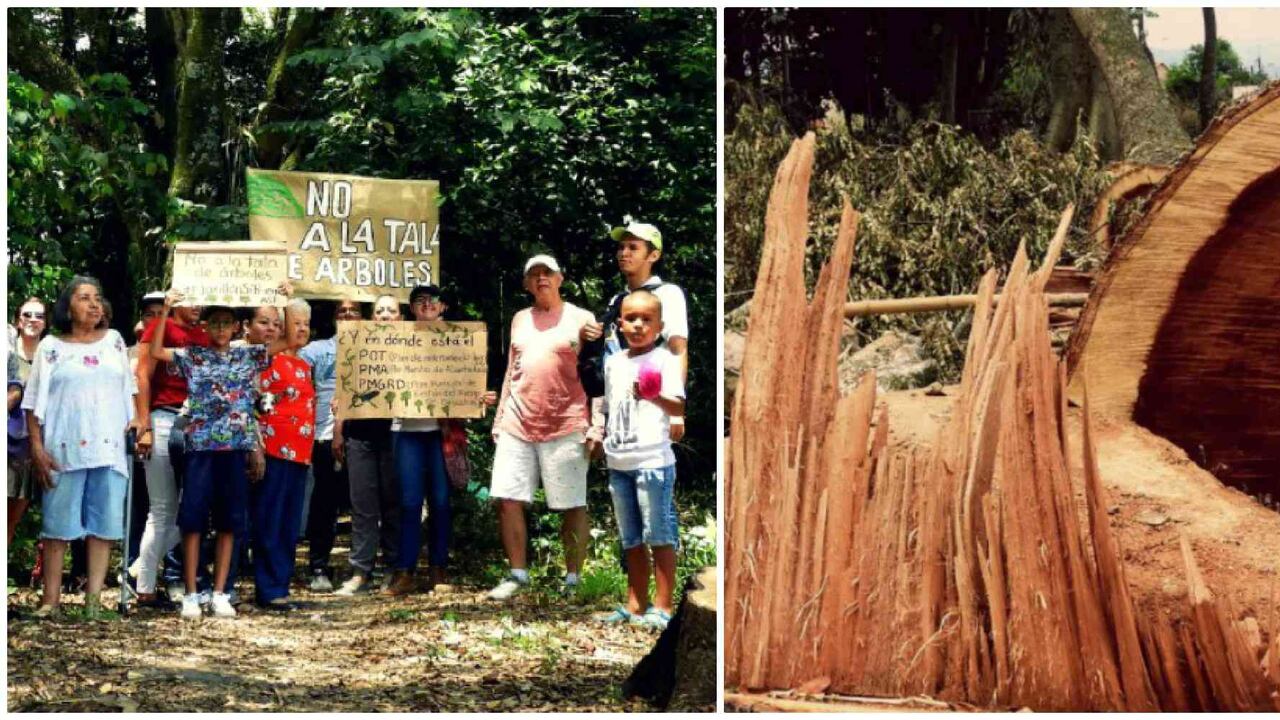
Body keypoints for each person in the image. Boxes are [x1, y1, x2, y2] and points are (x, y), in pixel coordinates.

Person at [149, 290, 285, 619]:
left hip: (234, 448)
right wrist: (166, 311)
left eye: (227, 324)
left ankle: (221, 592)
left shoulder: (248, 356)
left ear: (237, 327)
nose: (221, 330)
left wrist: (280, 301)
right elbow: (155, 350)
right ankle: (193, 593)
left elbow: (282, 342)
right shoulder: (194, 355)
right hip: (199, 447)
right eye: (215, 324)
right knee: (192, 521)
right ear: (207, 327)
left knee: (230, 522)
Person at [22, 276, 137, 618]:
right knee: (57, 526)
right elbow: (31, 403)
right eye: (84, 298)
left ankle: (94, 602)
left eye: (97, 298)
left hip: (108, 447)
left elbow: (129, 390)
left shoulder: (114, 341)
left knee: (104, 526)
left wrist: (137, 422)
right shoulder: (51, 347)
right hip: (63, 448)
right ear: (67, 307)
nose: (93, 304)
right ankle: (50, 601)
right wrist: (37, 448)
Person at [488, 255, 601, 601]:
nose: (541, 279)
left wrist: (598, 424)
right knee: (507, 498)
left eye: (547, 273)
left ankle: (573, 579)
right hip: (517, 421)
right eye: (534, 275)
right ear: (526, 284)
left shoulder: (583, 319)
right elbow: (512, 369)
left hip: (567, 422)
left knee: (572, 503)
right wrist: (499, 417)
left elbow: (598, 375)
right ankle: (518, 574)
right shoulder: (521, 318)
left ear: (560, 278)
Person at [386, 285, 497, 595]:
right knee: (409, 503)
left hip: (442, 433)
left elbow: (468, 380)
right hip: (407, 432)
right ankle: (404, 571)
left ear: (443, 307)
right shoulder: (396, 341)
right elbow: (375, 379)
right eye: (419, 301)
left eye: (433, 300)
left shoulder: (459, 341)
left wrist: (479, 398)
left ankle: (438, 569)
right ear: (411, 308)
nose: (427, 305)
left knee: (441, 502)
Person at [596, 291, 685, 629]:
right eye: (631, 318)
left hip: (653, 463)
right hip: (619, 463)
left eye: (646, 320)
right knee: (630, 537)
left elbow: (677, 407)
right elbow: (609, 404)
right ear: (620, 324)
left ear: (660, 326)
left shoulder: (663, 361)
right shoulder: (615, 361)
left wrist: (654, 396)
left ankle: (662, 607)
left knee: (659, 533)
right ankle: (635, 603)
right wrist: (599, 436)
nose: (637, 325)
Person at [133, 287, 211, 607]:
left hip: (198, 423)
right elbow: (142, 373)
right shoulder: (159, 327)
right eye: (190, 298)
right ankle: (146, 587)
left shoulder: (205, 336)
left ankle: (138, 570)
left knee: (195, 508)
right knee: (162, 507)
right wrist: (144, 424)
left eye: (200, 299)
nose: (197, 304)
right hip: (164, 418)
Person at [582, 222, 689, 441]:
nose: (624, 253)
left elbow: (678, 350)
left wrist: (676, 411)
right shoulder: (618, 300)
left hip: (651, 403)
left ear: (654, 255)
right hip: (619, 406)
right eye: (621, 248)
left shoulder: (668, 294)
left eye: (633, 247)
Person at [247, 298, 315, 611]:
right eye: (295, 322)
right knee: (269, 520)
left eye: (306, 323)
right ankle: (268, 588)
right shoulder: (264, 360)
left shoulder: (304, 365)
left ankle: (281, 585)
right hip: (273, 449)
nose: (301, 329)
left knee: (290, 524)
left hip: (300, 454)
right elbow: (254, 406)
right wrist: (256, 445)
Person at [334, 295, 403, 595]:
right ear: (372, 317)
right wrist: (338, 431)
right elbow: (344, 392)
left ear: (400, 318)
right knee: (362, 507)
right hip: (359, 434)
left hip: (396, 434)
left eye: (391, 310)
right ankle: (360, 572)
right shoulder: (354, 345)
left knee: (392, 504)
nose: (385, 315)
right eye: (379, 311)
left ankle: (392, 568)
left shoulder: (413, 349)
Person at [298, 299, 360, 592]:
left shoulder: (378, 349)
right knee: (325, 503)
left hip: (366, 434)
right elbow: (287, 356)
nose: (348, 314)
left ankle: (361, 568)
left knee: (365, 505)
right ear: (335, 317)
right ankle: (318, 566)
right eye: (342, 310)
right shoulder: (317, 350)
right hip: (322, 435)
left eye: (354, 310)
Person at [8, 297, 47, 545]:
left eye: (40, 316)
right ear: (18, 321)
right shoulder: (7, 353)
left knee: (12, 520)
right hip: (7, 442)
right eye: (28, 314)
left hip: (34, 447)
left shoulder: (52, 355)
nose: (33, 319)